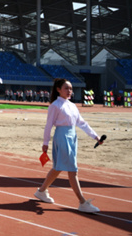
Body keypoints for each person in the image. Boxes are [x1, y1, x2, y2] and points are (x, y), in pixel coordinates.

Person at [34, 78, 103, 213]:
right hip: (61, 137)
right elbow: (48, 125)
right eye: (66, 88)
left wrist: (96, 136)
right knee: (73, 170)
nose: (69, 91)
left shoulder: (72, 105)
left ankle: (41, 191)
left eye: (70, 88)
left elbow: (82, 123)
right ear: (58, 89)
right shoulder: (55, 105)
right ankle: (82, 202)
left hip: (72, 137)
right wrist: (45, 143)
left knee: (58, 168)